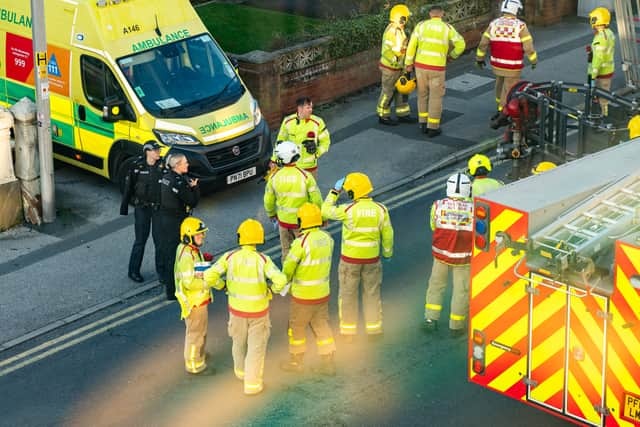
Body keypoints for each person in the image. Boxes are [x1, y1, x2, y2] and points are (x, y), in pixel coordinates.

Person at [204, 219, 287, 395]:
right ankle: (252, 385)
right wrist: (271, 289)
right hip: (258, 313)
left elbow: (209, 276)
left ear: (240, 237)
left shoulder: (229, 257)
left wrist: (222, 286)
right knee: (255, 349)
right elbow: (281, 280)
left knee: (238, 344)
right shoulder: (263, 260)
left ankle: (240, 373)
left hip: (236, 312)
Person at [322, 172, 393, 342]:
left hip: (350, 261)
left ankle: (348, 333)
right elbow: (388, 234)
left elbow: (324, 211)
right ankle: (374, 330)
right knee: (372, 294)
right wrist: (387, 253)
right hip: (372, 260)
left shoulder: (348, 210)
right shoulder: (381, 210)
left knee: (347, 295)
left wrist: (334, 191)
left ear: (353, 192)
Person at [280, 203, 336, 376]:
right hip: (322, 293)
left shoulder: (300, 243)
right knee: (321, 325)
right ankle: (328, 362)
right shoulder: (328, 238)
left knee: (296, 328)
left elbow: (289, 267)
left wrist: (284, 282)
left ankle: (296, 361)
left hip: (303, 296)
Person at [423, 173, 473, 338]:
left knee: (436, 286)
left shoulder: (437, 205)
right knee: (461, 291)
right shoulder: (474, 208)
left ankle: (430, 319)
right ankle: (456, 326)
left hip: (440, 256)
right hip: (463, 258)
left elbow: (432, 225)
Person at [405, 5, 465, 138]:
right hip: (437, 68)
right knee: (435, 97)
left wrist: (408, 63)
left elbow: (411, 45)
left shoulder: (421, 26)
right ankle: (433, 127)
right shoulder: (447, 28)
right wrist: (452, 56)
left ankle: (422, 123)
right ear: (442, 14)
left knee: (422, 95)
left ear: (430, 14)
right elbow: (461, 44)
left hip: (420, 67)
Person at [476, 0, 537, 125]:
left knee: (499, 85)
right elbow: (528, 47)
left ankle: (499, 109)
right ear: (516, 10)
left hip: (497, 64)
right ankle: (504, 114)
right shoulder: (520, 26)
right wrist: (533, 60)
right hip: (513, 65)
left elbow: (483, 43)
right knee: (509, 90)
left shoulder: (494, 24)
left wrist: (479, 59)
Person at [264, 141, 322, 261]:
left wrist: (271, 214)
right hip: (303, 222)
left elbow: (268, 200)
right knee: (305, 251)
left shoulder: (274, 178)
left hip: (284, 222)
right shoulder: (305, 176)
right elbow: (317, 199)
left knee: (286, 251)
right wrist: (320, 217)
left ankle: (288, 277)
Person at [174, 217, 217, 375]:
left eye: (202, 234)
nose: (202, 237)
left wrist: (202, 259)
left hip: (199, 301)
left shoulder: (189, 250)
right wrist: (207, 281)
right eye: (198, 235)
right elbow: (189, 283)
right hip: (195, 303)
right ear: (188, 236)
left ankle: (199, 354)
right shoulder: (187, 256)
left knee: (200, 332)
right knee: (195, 334)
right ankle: (194, 364)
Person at [157, 153, 200, 300]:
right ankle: (173, 290)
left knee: (169, 254)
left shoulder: (166, 177)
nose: (188, 165)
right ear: (177, 166)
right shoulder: (179, 183)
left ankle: (169, 286)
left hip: (164, 219)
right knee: (177, 256)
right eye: (185, 163)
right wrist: (194, 188)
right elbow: (192, 201)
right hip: (177, 222)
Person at [120, 141, 163, 283]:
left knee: (160, 241)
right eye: (155, 150)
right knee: (140, 241)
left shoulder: (163, 166)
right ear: (148, 152)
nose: (158, 152)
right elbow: (129, 187)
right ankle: (133, 271)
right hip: (142, 209)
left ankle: (162, 273)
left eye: (158, 150)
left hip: (158, 208)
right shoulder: (137, 166)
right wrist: (124, 208)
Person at [274, 97, 331, 179]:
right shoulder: (287, 121)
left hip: (310, 168)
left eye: (311, 107)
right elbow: (279, 142)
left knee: (311, 190)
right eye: (308, 107)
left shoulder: (318, 122)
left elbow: (326, 142)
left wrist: (316, 152)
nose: (311, 110)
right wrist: (274, 160)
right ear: (299, 108)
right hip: (291, 167)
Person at [377, 3, 413, 126]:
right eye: (406, 17)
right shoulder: (392, 32)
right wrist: (406, 50)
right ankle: (383, 116)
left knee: (401, 91)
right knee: (388, 92)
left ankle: (403, 114)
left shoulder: (398, 30)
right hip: (390, 68)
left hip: (398, 67)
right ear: (401, 18)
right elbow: (396, 50)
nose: (407, 20)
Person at [588, 7, 615, 117]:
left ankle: (605, 118)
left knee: (603, 99)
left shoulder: (600, 38)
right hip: (607, 71)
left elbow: (598, 58)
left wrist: (593, 75)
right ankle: (603, 115)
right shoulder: (609, 33)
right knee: (603, 96)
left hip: (601, 73)